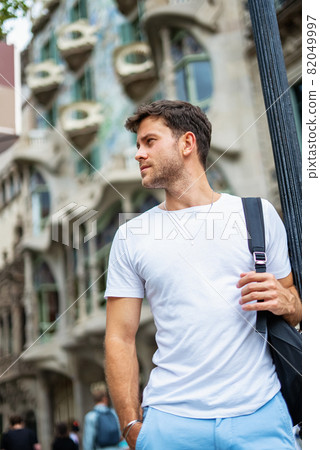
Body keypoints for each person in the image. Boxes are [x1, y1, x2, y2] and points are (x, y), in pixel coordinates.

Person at [104, 100, 302, 449]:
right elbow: (120, 337)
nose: (138, 154)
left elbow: (297, 307)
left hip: (260, 414)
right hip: (169, 421)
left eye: (149, 141)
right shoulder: (131, 235)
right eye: (137, 144)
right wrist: (131, 424)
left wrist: (286, 300)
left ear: (187, 143)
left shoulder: (257, 214)